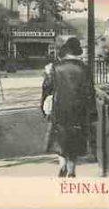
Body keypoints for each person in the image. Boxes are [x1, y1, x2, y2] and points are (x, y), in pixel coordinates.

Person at [41, 37, 96, 178]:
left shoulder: (55, 67)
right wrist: (92, 112)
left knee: (60, 138)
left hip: (60, 108)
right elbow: (90, 92)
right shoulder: (84, 68)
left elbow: (47, 88)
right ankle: (71, 171)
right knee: (74, 140)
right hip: (78, 110)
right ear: (77, 52)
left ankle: (62, 166)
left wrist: (43, 106)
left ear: (65, 52)